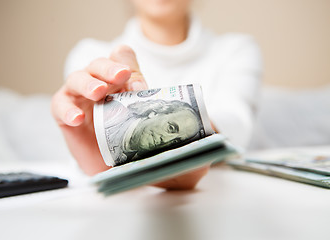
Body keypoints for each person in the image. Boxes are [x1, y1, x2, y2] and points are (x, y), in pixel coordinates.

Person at [51, 0, 262, 190]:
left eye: (175, 132)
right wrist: (94, 157)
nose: (172, 140)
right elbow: (95, 163)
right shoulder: (89, 55)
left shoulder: (236, 50)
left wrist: (184, 155)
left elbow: (234, 122)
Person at [102, 99, 203, 165]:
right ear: (154, 113)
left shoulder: (137, 160)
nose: (166, 140)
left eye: (176, 141)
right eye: (171, 128)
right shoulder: (113, 114)